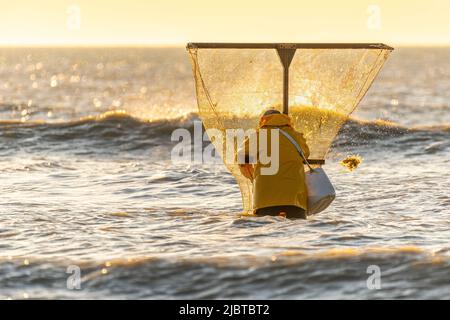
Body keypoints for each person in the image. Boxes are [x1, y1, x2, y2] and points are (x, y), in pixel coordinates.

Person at [237, 109, 310, 219]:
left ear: (263, 121)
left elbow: (241, 158)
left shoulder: (258, 136)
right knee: (295, 232)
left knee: (266, 232)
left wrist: (252, 177)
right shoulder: (296, 136)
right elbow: (306, 154)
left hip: (265, 199)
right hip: (295, 199)